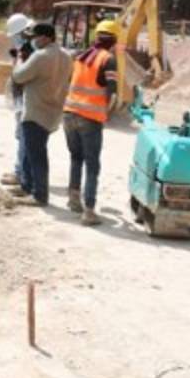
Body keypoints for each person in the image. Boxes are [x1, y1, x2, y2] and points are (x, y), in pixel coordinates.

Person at [62, 19, 120, 226]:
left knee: (76, 158)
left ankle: (73, 198)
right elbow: (112, 95)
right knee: (92, 165)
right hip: (90, 118)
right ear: (114, 40)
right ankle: (88, 210)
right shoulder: (108, 59)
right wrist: (109, 114)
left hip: (69, 114)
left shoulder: (80, 57)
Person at [10, 22, 72, 206]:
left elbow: (19, 76)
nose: (33, 41)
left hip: (35, 110)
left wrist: (19, 60)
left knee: (36, 155)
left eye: (35, 37)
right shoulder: (66, 56)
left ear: (46, 37)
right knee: (32, 151)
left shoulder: (40, 56)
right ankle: (26, 186)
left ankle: (39, 194)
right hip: (52, 110)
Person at [1, 13, 33, 186]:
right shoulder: (25, 51)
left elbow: (23, 76)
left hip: (26, 100)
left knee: (24, 137)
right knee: (22, 137)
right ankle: (20, 171)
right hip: (22, 99)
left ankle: (21, 174)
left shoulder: (29, 51)